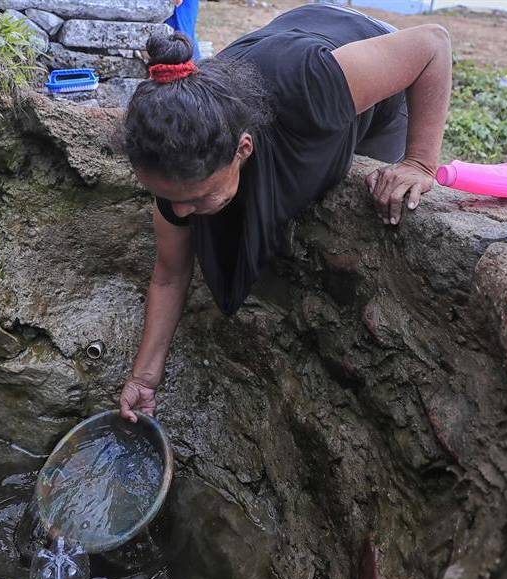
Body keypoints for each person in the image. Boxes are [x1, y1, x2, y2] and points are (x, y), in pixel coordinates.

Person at [117, 3, 451, 422]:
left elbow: (432, 43)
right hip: (286, 43)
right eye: (170, 198)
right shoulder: (179, 146)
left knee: (369, 175)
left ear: (243, 149)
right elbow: (168, 274)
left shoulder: (313, 86)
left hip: (369, 59)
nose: (181, 211)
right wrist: (144, 379)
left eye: (198, 197)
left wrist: (419, 163)